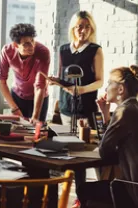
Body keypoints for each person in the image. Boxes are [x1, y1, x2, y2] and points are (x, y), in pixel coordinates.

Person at [77, 67, 138, 208]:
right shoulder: (136, 108)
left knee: (84, 189)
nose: (106, 88)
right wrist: (105, 114)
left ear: (121, 89)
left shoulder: (124, 111)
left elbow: (104, 150)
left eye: (110, 83)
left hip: (135, 191)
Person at [48, 11, 103, 208]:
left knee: (83, 154)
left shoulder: (95, 50)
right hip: (65, 107)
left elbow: (99, 81)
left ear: (91, 29)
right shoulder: (63, 49)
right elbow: (64, 77)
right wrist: (57, 83)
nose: (83, 30)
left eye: (87, 27)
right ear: (73, 27)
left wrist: (80, 89)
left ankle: (86, 198)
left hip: (85, 107)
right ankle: (75, 196)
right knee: (70, 152)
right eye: (80, 26)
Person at [0, 23, 50, 124]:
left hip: (39, 97)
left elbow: (40, 86)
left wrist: (35, 116)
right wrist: (14, 108)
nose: (31, 46)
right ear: (16, 45)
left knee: (37, 131)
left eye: (32, 41)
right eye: (26, 43)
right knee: (17, 130)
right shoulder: (7, 51)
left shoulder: (43, 52)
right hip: (17, 95)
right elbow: (2, 81)